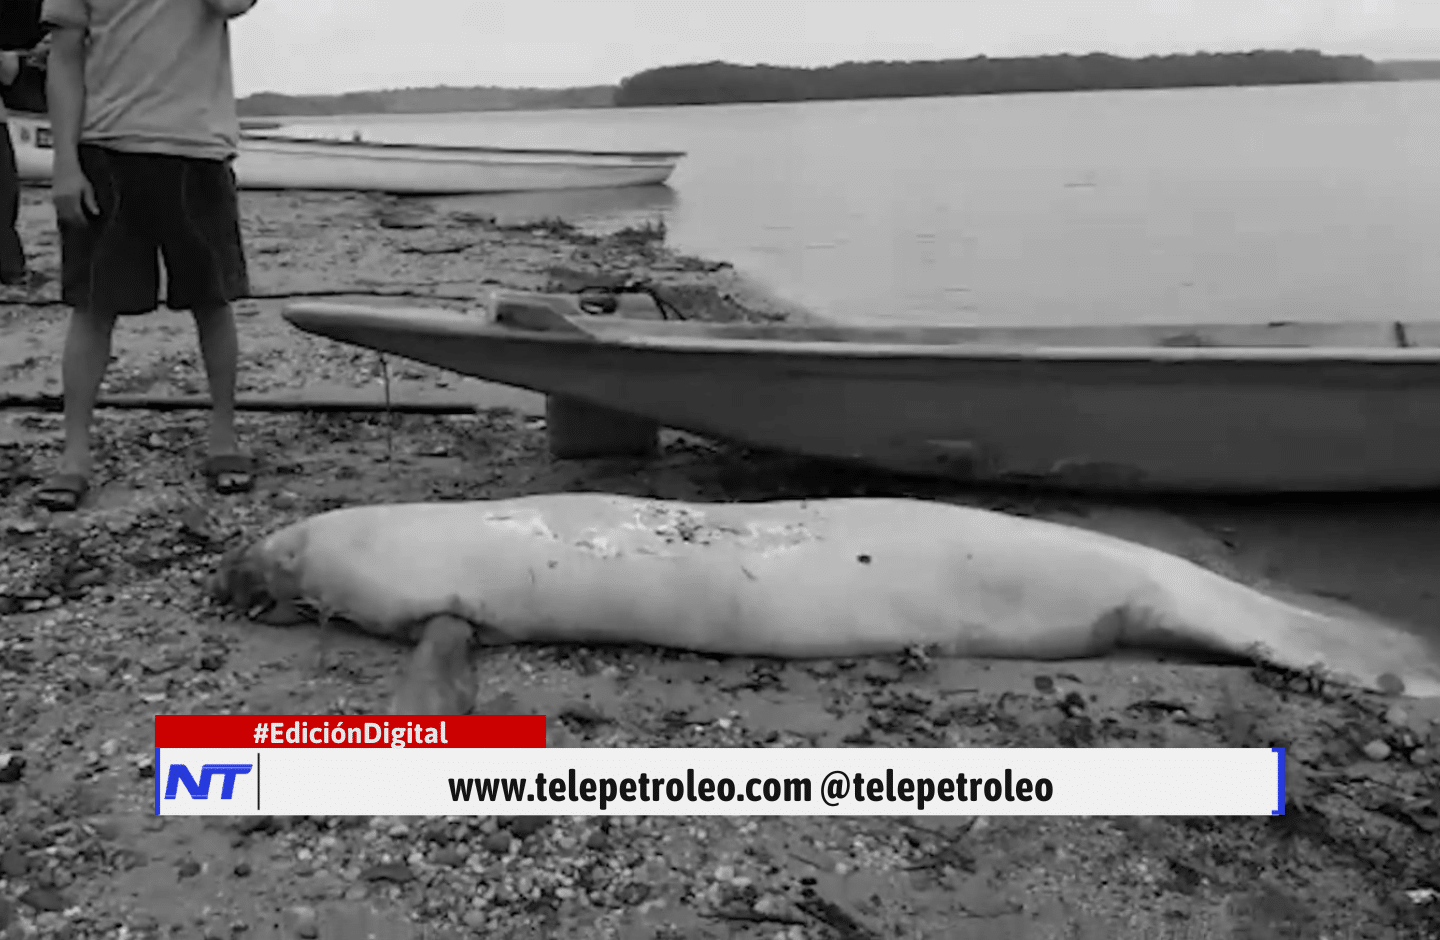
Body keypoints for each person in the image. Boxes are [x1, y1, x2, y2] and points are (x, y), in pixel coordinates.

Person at [33, 0, 259, 512]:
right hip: (105, 149)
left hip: (197, 148)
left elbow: (231, 5)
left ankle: (223, 437)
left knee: (212, 299)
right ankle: (74, 454)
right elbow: (65, 59)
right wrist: (64, 164)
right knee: (92, 306)